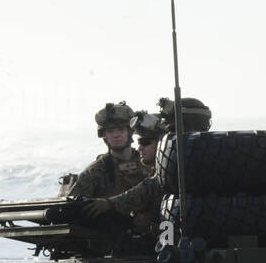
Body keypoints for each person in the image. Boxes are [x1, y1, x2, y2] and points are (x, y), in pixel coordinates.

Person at [85, 96, 211, 225]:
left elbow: (150, 187)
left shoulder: (181, 163)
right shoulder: (203, 153)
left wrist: (110, 203)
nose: (140, 148)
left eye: (146, 143)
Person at [71, 102, 148, 201]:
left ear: (129, 132)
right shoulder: (93, 173)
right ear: (104, 136)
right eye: (110, 131)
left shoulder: (148, 163)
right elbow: (72, 206)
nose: (116, 135)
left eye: (121, 129)